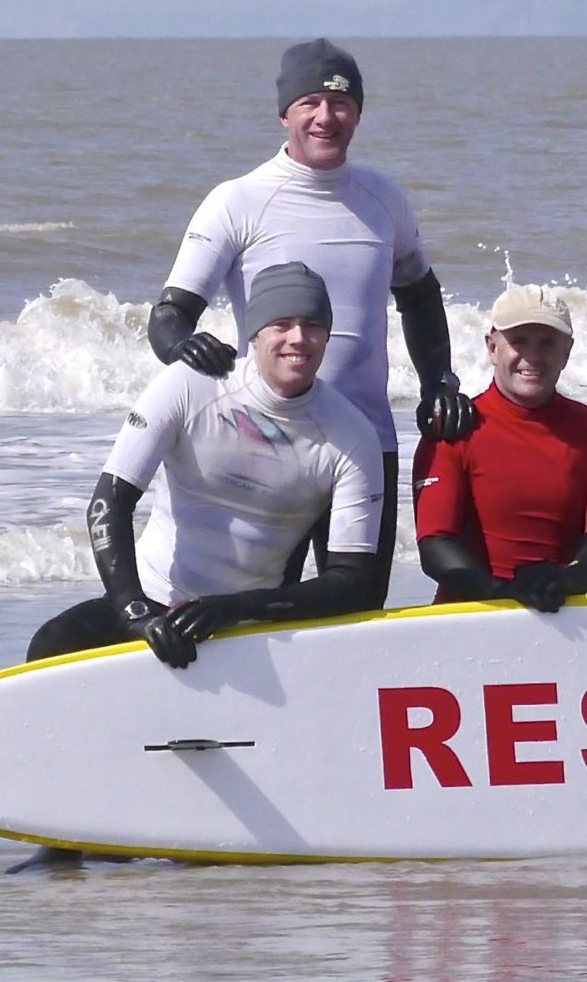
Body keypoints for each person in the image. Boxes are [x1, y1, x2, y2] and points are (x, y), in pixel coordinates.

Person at [146, 39, 473, 604]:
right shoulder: (238, 201)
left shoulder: (383, 199)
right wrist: (184, 347)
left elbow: (420, 298)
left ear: (359, 114)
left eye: (342, 104)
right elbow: (170, 313)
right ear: (285, 113)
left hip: (364, 443)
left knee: (358, 607)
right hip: (271, 446)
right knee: (261, 605)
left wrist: (437, 382)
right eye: (311, 103)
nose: (327, 117)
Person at [29, 263, 384, 665]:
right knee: (53, 642)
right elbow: (107, 505)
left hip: (251, 624)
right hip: (152, 601)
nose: (298, 339)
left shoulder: (351, 434)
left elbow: (351, 581)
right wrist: (134, 612)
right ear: (255, 333)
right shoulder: (192, 385)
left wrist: (234, 608)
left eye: (313, 325)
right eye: (282, 324)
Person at [412, 285, 587, 612]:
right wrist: (503, 594)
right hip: (470, 614)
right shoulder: (453, 430)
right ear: (492, 347)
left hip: (562, 612)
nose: (532, 357)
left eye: (547, 343)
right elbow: (434, 545)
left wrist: (566, 582)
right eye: (518, 342)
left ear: (567, 351)